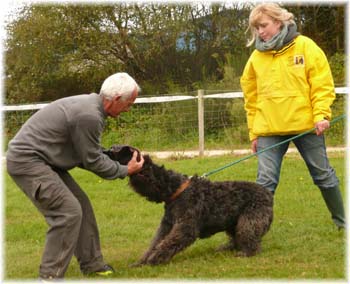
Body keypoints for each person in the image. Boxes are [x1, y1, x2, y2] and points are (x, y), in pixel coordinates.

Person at [6, 72, 145, 280]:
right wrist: (126, 170)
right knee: (68, 212)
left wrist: (113, 158)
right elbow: (92, 161)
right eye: (129, 103)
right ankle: (50, 277)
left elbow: (86, 154)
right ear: (116, 99)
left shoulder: (91, 107)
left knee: (82, 205)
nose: (128, 108)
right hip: (28, 161)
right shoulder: (89, 115)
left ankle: (93, 265)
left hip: (45, 161)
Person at [240, 3, 345, 229]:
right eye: (256, 28)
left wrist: (321, 114)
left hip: (307, 126)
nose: (260, 32)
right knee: (265, 183)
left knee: (323, 175)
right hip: (269, 129)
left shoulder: (306, 47)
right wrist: (254, 133)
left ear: (279, 22)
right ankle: (253, 232)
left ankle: (343, 223)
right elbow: (251, 99)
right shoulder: (256, 59)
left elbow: (322, 85)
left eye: (264, 25)